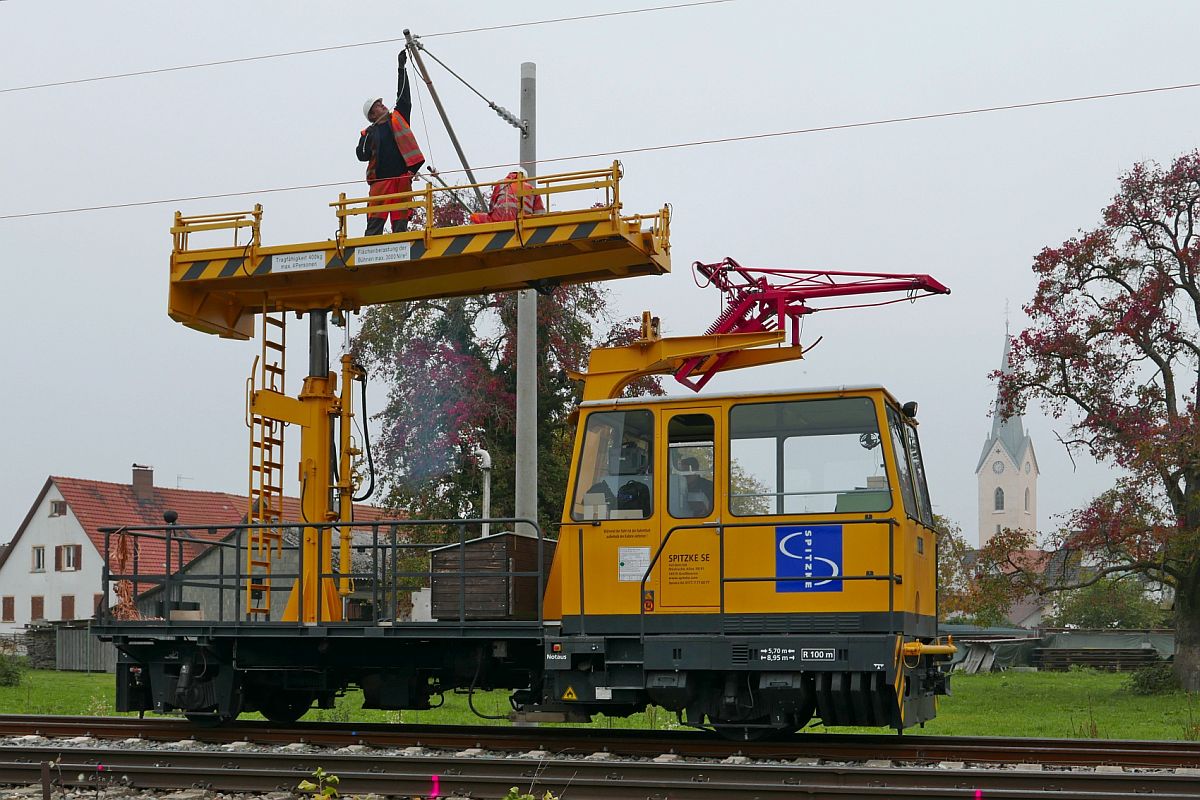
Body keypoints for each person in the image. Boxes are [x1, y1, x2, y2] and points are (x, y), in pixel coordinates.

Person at [357, 50, 425, 236]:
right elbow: (361, 156)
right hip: (381, 184)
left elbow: (403, 98)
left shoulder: (398, 119)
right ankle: (370, 255)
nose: (383, 105)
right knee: (375, 224)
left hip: (402, 180)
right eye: (378, 105)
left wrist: (401, 69)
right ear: (372, 115)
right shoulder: (369, 133)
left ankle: (401, 254)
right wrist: (366, 137)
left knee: (400, 225)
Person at [469, 171, 545, 224]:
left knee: (474, 217)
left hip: (498, 219)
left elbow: (492, 206)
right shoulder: (531, 188)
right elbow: (540, 213)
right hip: (524, 221)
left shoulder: (501, 183)